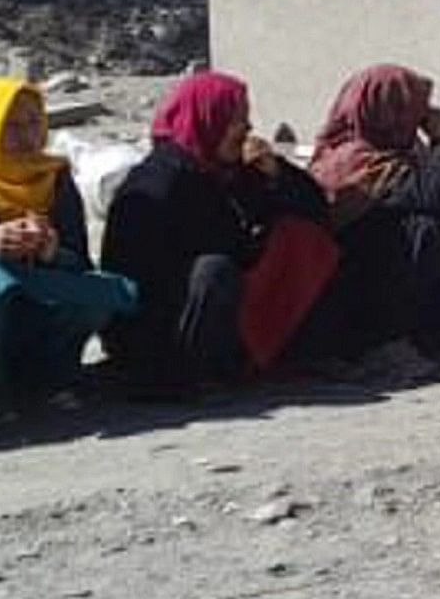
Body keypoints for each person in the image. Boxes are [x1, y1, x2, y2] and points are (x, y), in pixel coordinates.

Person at [99, 73, 346, 398]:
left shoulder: (224, 171)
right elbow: (142, 282)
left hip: (208, 312)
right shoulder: (161, 184)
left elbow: (314, 209)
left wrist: (276, 172)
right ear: (207, 120)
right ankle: (184, 374)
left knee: (298, 236)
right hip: (155, 329)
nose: (247, 129)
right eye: (236, 120)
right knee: (214, 271)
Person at [0, 78, 137, 422]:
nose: (27, 136)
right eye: (11, 126)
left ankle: (52, 378)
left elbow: (79, 263)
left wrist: (51, 252)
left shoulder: (53, 177)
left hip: (38, 304)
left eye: (33, 122)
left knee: (107, 290)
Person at [311, 64, 440, 371]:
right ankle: (383, 345)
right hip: (363, 297)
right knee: (429, 223)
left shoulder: (404, 155)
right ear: (389, 113)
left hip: (409, 289)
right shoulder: (353, 163)